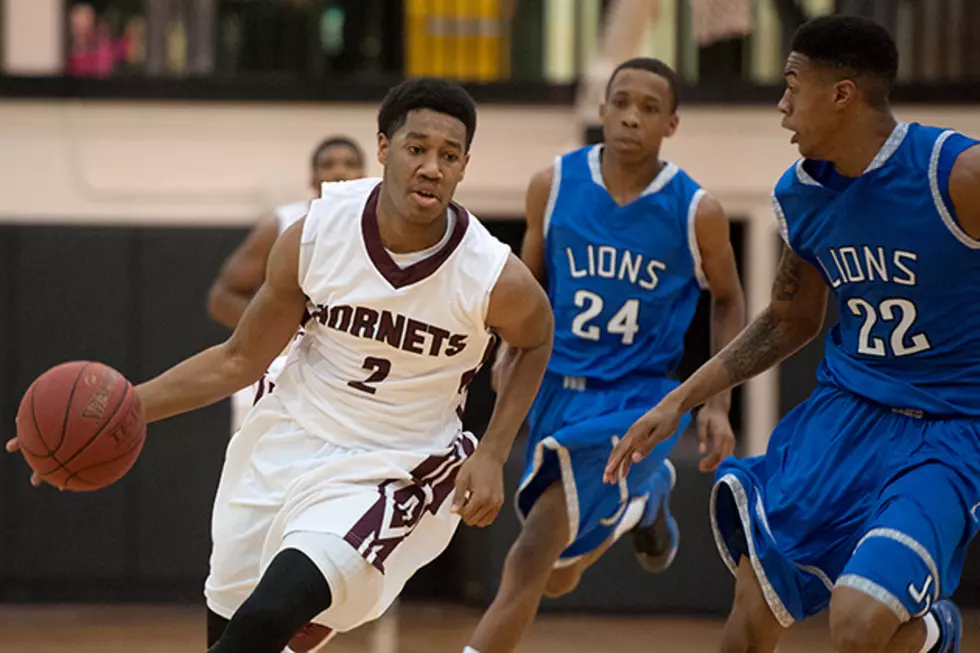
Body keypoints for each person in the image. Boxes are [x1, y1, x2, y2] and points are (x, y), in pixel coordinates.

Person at [8, 77, 554, 653]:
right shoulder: (315, 235)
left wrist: (493, 450)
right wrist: (108, 417)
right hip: (286, 439)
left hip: (395, 463)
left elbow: (537, 339)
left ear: (465, 167)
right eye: (417, 148)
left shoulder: (490, 273)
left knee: (273, 611)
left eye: (449, 156)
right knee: (233, 623)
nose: (431, 167)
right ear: (386, 149)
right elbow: (238, 359)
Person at [606, 16, 980, 653]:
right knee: (748, 620)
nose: (781, 105)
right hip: (841, 418)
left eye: (792, 85)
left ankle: (935, 632)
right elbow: (789, 319)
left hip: (946, 430)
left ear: (842, 94)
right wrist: (677, 402)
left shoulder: (956, 173)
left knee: (858, 626)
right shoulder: (803, 193)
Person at [464, 57, 746, 653]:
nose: (630, 117)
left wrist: (716, 404)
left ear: (671, 124)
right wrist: (508, 347)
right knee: (560, 576)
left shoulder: (696, 210)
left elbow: (729, 300)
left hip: (638, 400)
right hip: (555, 389)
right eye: (620, 102)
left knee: (530, 553)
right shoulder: (554, 184)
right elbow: (529, 284)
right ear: (601, 111)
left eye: (648, 108)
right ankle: (643, 504)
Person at [207, 136, 366, 433]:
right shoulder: (284, 223)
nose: (339, 171)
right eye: (328, 164)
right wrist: (278, 330)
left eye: (349, 164)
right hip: (276, 370)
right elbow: (222, 297)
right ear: (313, 177)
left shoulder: (384, 232)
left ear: (364, 175)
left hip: (342, 374)